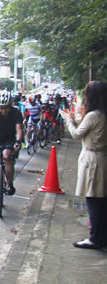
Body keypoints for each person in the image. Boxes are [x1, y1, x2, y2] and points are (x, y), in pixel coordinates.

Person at [60, 81, 107, 249]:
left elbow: (76, 134)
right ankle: (101, 236)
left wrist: (69, 120)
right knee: (102, 199)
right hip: (103, 157)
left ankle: (94, 239)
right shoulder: (102, 114)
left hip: (92, 159)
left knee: (93, 198)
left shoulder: (93, 115)